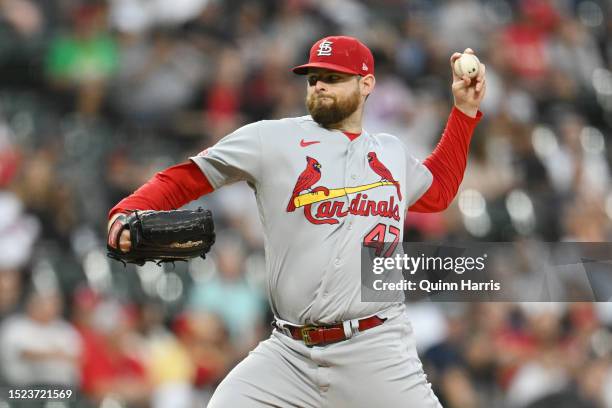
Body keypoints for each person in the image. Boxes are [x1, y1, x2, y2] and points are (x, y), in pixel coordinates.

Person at [108, 35, 486, 407]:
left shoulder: (391, 152)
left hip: (376, 350)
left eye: (333, 77)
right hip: (289, 354)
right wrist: (125, 212)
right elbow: (189, 176)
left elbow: (438, 192)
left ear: (366, 83)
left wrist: (464, 112)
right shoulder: (270, 139)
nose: (320, 85)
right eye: (313, 78)